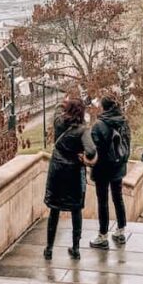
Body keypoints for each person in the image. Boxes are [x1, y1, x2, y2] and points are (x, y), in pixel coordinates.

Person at [44, 98, 96, 261]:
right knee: (75, 210)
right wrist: (84, 157)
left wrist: (65, 101)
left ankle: (49, 248)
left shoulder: (59, 121)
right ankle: (75, 248)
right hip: (73, 173)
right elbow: (91, 149)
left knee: (54, 209)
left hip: (57, 170)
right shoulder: (82, 130)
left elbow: (57, 108)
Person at [89, 95, 131, 248]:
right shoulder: (123, 122)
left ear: (103, 107)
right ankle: (120, 231)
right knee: (118, 198)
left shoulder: (98, 125)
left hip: (102, 169)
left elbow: (93, 150)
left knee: (102, 202)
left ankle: (102, 235)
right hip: (118, 166)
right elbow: (127, 144)